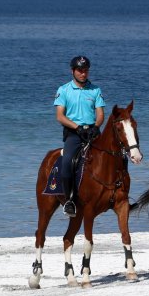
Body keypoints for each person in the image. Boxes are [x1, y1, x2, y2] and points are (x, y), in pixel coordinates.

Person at [53, 55, 105, 216]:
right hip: (74, 133)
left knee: (116, 154)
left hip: (92, 131)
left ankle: (118, 191)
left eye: (86, 70)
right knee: (67, 162)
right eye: (80, 70)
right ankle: (69, 200)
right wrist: (78, 128)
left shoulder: (95, 90)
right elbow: (60, 116)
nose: (83, 73)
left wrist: (96, 126)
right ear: (73, 71)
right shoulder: (64, 90)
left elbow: (101, 114)